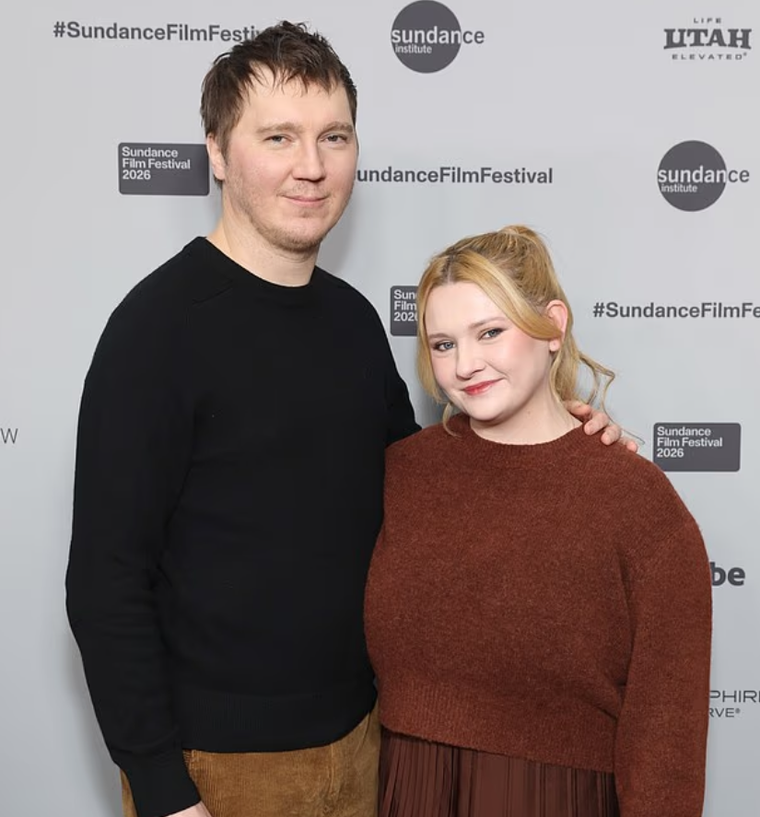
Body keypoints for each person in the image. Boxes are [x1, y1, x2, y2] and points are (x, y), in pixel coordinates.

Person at [65, 23, 629, 817]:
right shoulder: (155, 331)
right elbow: (104, 582)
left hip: (372, 749)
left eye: (334, 135)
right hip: (222, 772)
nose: (312, 165)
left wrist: (553, 431)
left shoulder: (355, 321)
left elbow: (429, 487)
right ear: (218, 154)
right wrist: (163, 789)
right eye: (279, 137)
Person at [364, 225, 712, 817]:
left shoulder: (637, 501)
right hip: (408, 791)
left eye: (490, 333)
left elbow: (668, 738)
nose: (465, 364)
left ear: (553, 324)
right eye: (443, 344)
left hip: (560, 800)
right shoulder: (403, 473)